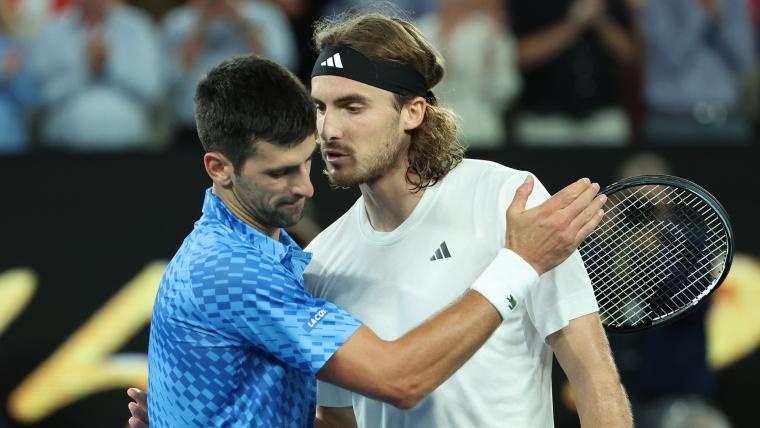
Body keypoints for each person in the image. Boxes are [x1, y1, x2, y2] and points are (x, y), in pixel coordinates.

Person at [131, 53, 605, 427]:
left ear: (413, 113)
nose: (305, 187)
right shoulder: (237, 269)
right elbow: (399, 379)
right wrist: (519, 264)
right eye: (279, 173)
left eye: (304, 163)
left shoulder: (505, 196)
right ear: (218, 168)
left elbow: (593, 375)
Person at [161, 0, 297, 149]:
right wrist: (202, 25)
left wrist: (240, 20)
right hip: (193, 130)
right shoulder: (176, 21)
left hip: (256, 128)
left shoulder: (266, 14)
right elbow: (168, 77)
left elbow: (283, 66)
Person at [28, 0, 163, 150]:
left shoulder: (137, 26)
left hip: (129, 149)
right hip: (64, 150)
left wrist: (110, 66)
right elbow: (39, 96)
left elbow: (152, 90)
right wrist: (85, 70)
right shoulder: (53, 30)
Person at [509, 0, 637, 146]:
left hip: (603, 117)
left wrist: (599, 19)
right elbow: (519, 56)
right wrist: (573, 24)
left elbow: (629, 54)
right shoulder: (526, 4)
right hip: (544, 121)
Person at [641, 0, 755, 145]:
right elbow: (672, 56)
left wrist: (721, 21)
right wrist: (700, 10)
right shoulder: (661, 3)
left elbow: (744, 61)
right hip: (673, 119)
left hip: (727, 119)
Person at [416, 0, 521, 148]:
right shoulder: (422, 29)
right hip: (432, 133)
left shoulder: (490, 31)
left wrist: (489, 63)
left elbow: (506, 88)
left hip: (480, 130)